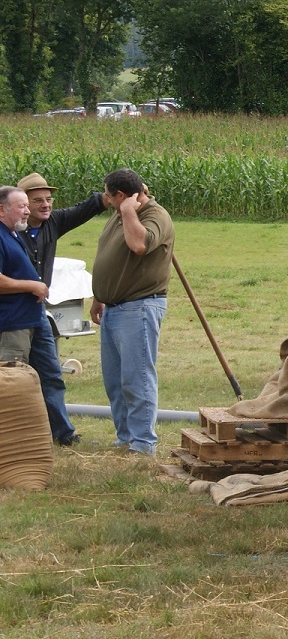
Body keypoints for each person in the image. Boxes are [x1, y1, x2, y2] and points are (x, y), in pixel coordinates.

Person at [17, 172, 105, 445]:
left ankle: (63, 434)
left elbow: (85, 209)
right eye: (38, 200)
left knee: (51, 373)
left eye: (49, 199)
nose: (46, 205)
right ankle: (17, 435)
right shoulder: (8, 230)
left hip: (39, 312)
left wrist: (115, 195)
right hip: (10, 314)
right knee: (13, 375)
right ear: (22, 204)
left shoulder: (52, 223)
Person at [91, 168, 175, 456]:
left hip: (138, 306)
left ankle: (142, 443)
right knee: (115, 381)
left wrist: (128, 210)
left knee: (136, 379)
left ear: (121, 195)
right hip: (113, 307)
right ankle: (125, 437)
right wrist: (100, 296)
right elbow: (111, 257)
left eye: (109, 196)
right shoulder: (119, 214)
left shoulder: (155, 216)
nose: (107, 201)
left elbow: (139, 245)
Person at [0, 187, 49, 367]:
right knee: (13, 376)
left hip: (28, 319)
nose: (28, 211)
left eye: (27, 206)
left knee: (43, 373)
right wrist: (32, 286)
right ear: (1, 209)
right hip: (12, 324)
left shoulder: (12, 232)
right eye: (21, 206)